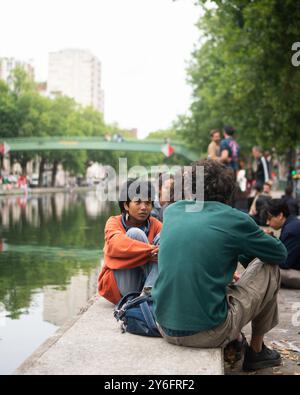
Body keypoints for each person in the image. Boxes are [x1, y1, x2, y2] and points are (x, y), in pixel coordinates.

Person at [152, 160, 287, 372]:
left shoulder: (172, 211)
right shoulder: (234, 219)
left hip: (163, 325)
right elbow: (279, 253)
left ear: (190, 188)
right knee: (269, 266)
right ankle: (257, 351)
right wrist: (249, 241)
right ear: (228, 191)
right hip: (207, 332)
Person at [98, 179, 162, 304]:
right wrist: (149, 252)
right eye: (138, 202)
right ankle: (142, 298)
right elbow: (116, 245)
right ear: (126, 205)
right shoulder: (114, 222)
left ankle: (148, 291)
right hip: (125, 286)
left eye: (148, 203)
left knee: (164, 237)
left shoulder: (155, 224)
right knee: (134, 233)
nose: (144, 207)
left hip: (147, 282)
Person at [266, 199, 300, 289]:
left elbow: (284, 262)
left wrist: (266, 245)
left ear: (280, 215)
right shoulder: (292, 223)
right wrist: (272, 240)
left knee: (266, 268)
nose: (267, 222)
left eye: (269, 218)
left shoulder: (291, 230)